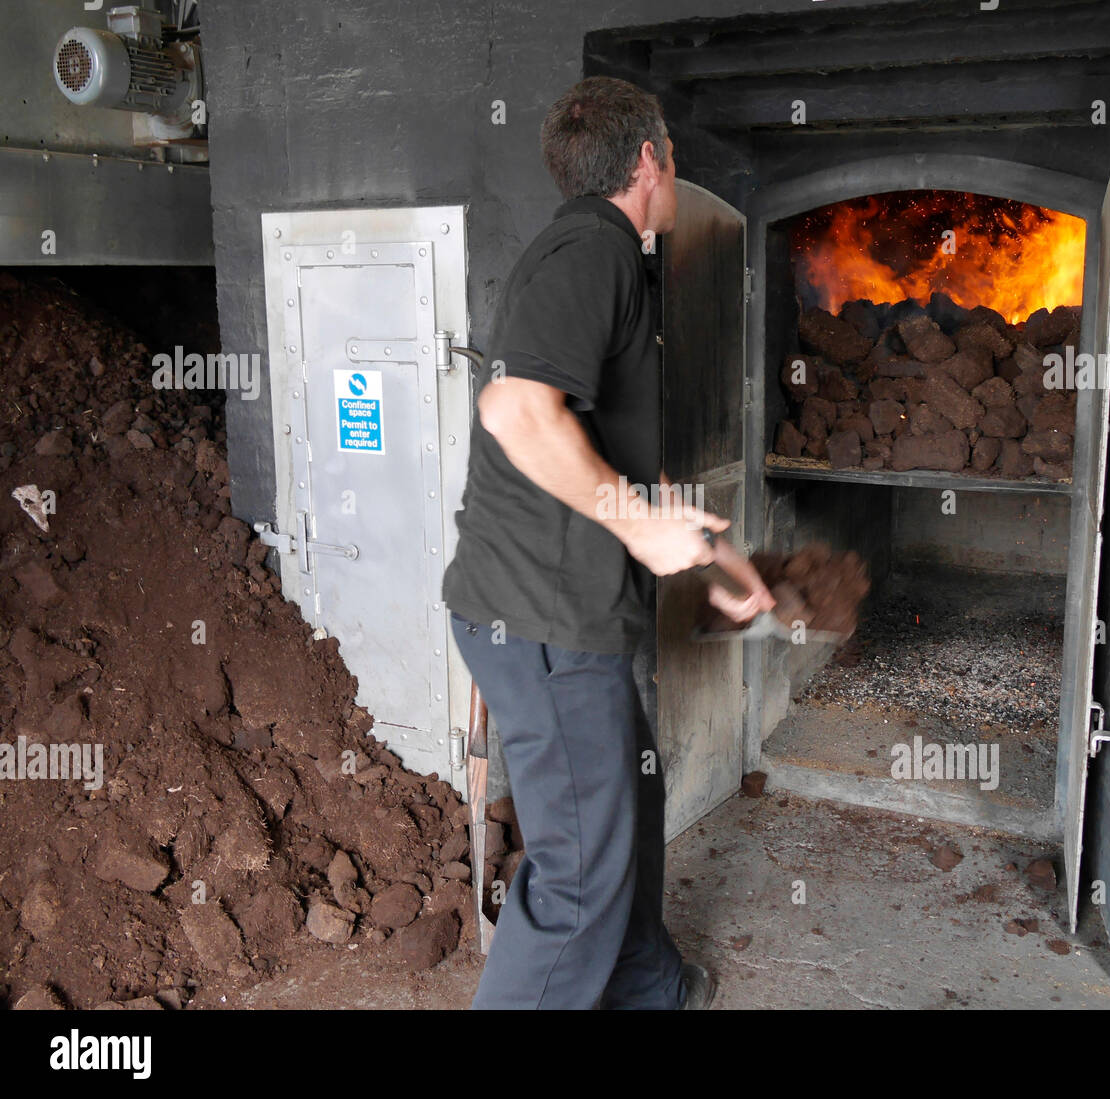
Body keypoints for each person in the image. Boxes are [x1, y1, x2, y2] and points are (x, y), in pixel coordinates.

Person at [440, 75, 773, 1009]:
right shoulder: (593, 250)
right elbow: (514, 407)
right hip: (541, 618)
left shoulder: (606, 255)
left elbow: (594, 443)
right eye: (670, 156)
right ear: (647, 162)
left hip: (564, 608)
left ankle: (645, 985)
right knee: (579, 868)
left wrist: (704, 548)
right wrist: (635, 523)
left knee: (635, 794)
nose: (673, 172)